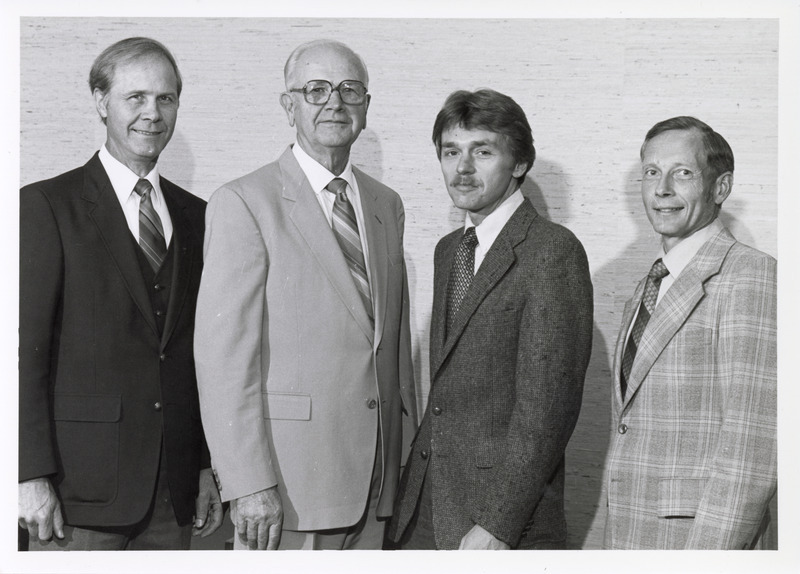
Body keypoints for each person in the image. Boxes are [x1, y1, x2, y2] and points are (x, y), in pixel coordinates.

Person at [194, 39, 417, 551]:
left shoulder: (386, 204)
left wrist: (406, 454)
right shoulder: (244, 202)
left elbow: (392, 342)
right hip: (288, 488)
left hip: (379, 479)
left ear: (366, 105)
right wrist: (247, 483)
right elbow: (223, 360)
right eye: (316, 89)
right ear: (288, 105)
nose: (334, 102)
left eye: (349, 89)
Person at [18, 37, 222, 550]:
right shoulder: (45, 206)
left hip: (172, 495)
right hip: (75, 496)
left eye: (165, 98)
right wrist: (26, 474)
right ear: (100, 101)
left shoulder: (199, 216)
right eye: (136, 97)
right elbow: (22, 354)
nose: (152, 113)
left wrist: (202, 467)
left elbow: (196, 355)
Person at [388, 89, 593, 550]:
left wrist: (498, 525)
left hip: (500, 521)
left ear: (519, 163)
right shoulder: (449, 250)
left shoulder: (552, 250)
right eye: (450, 152)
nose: (462, 168)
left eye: (482, 152)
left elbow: (547, 413)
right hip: (425, 505)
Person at [604, 116, 777, 549]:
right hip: (631, 537)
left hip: (697, 544)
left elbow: (753, 449)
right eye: (651, 172)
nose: (662, 189)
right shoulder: (648, 286)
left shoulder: (751, 275)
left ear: (720, 188)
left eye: (682, 173)